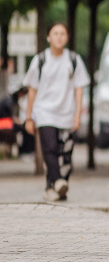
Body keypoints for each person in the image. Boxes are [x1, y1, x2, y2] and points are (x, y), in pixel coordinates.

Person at [22, 23, 89, 201]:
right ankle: (58, 181)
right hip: (45, 113)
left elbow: (79, 89)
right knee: (50, 149)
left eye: (62, 34)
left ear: (67, 38)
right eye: (55, 33)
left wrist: (77, 114)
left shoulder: (74, 60)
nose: (59, 37)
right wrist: (29, 117)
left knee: (66, 156)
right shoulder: (40, 60)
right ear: (48, 37)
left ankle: (53, 187)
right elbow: (32, 90)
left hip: (67, 114)